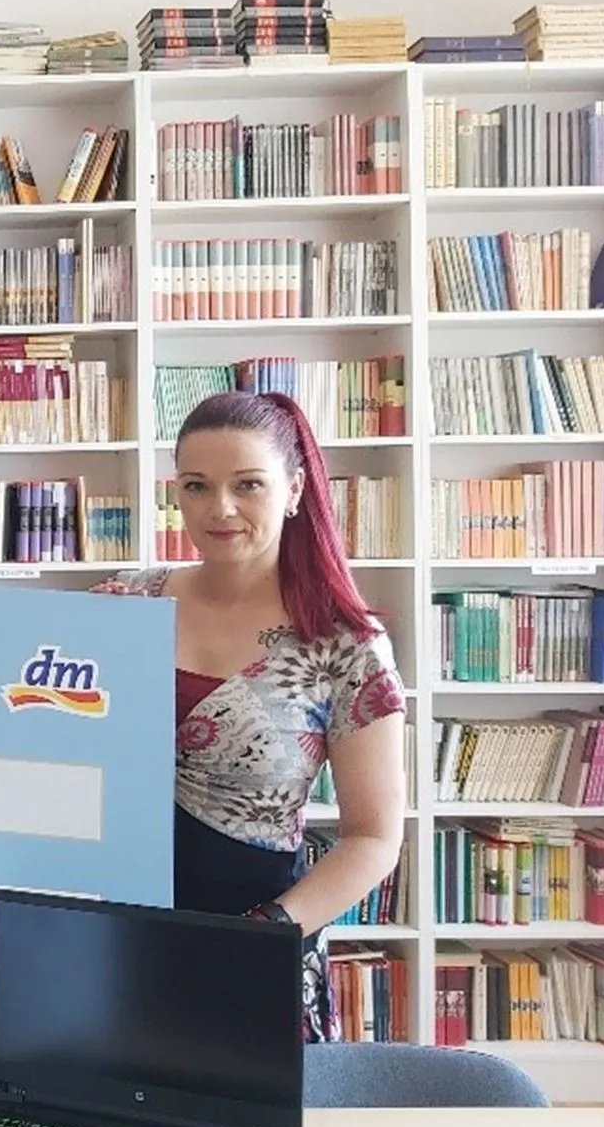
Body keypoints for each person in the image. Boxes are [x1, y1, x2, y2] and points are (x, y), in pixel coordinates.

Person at [93, 390, 406, 1042]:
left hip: (253, 949)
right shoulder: (121, 605)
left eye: (247, 484)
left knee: (239, 1112)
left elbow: (374, 838)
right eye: (196, 485)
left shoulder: (344, 644)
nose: (220, 508)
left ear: (294, 490)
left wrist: (264, 933)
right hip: (108, 942)